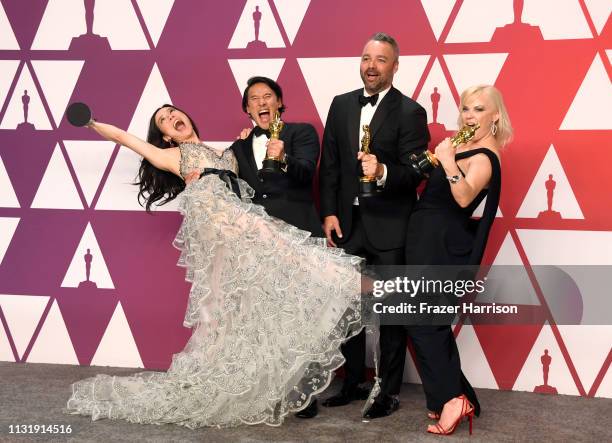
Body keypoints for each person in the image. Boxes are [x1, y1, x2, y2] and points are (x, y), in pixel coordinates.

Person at [65, 104, 364, 428]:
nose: (170, 118)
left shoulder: (225, 153)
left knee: (251, 306)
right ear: (165, 136)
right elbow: (125, 138)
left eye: (172, 112)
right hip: (220, 229)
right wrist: (92, 122)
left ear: (187, 116)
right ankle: (347, 280)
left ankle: (275, 378)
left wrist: (247, 139)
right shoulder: (174, 156)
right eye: (163, 120)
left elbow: (246, 167)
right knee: (273, 261)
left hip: (241, 224)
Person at [318, 32, 430, 415]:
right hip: (348, 223)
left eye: (381, 59)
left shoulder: (411, 111)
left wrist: (382, 170)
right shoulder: (340, 105)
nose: (371, 65)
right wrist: (330, 212)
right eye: (366, 57)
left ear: (395, 66)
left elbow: (414, 173)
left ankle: (389, 391)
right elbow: (329, 163)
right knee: (350, 308)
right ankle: (352, 382)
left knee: (392, 312)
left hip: (390, 226)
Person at [399, 84, 512, 435]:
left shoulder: (486, 157)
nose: (470, 116)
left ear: (495, 115)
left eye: (479, 109)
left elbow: (463, 198)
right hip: (426, 239)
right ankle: (452, 397)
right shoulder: (467, 146)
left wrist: (447, 160)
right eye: (465, 108)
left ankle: (452, 399)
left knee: (423, 321)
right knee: (428, 321)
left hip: (441, 245)